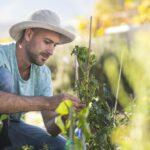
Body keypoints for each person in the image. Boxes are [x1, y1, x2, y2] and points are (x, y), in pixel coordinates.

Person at [0, 9, 84, 150]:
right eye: (47, 42)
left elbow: (50, 127)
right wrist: (48, 102)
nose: (51, 51)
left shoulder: (43, 73)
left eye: (54, 45)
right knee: (5, 77)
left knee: (61, 146)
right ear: (28, 34)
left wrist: (65, 115)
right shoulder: (2, 55)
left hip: (11, 128)